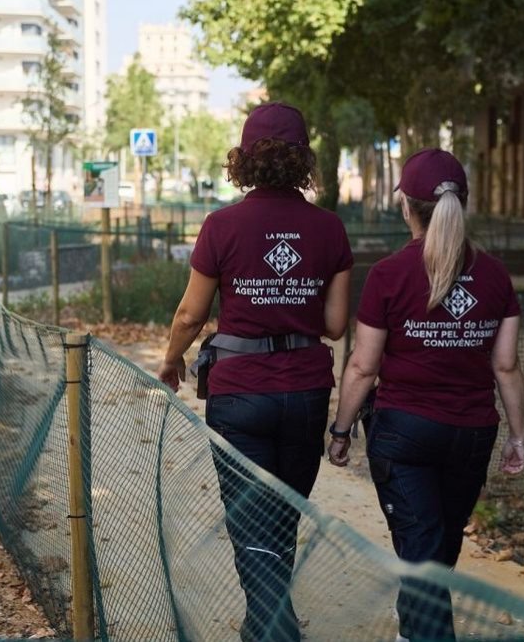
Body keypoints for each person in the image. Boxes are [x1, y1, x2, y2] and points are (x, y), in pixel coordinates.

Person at [158, 102, 353, 642]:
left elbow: (191, 314)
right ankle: (263, 625)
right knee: (282, 519)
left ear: (243, 161)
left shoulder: (222, 226)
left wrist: (172, 363)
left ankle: (273, 631)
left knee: (249, 524)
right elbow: (336, 325)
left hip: (240, 393)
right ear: (302, 161)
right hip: (306, 391)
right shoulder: (329, 228)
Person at [326, 149, 524, 641]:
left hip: (405, 433)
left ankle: (422, 632)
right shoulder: (496, 275)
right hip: (472, 433)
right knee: (436, 549)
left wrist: (340, 430)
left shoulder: (390, 274)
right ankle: (413, 629)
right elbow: (505, 364)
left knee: (425, 551)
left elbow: (362, 365)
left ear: (406, 208)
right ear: (465, 203)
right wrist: (518, 437)